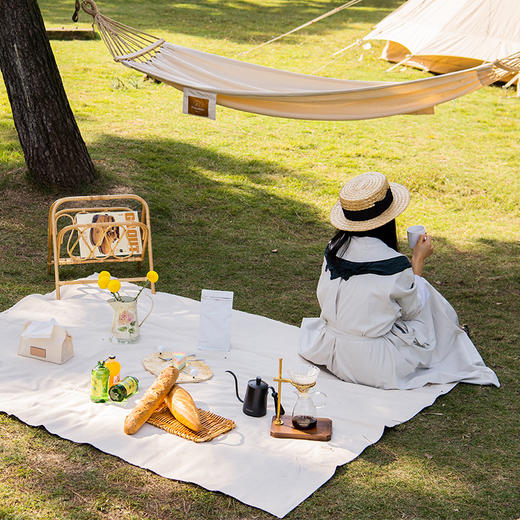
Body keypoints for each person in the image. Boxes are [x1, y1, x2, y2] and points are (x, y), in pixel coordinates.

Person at [299, 172, 499, 390]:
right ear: (386, 220)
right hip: (371, 364)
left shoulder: (333, 247)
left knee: (411, 293)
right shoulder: (394, 263)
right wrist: (417, 261)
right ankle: (451, 336)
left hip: (330, 351)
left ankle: (451, 332)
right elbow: (412, 311)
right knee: (426, 295)